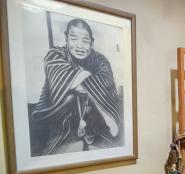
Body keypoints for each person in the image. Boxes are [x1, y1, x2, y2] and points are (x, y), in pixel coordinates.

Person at [29, 18, 123, 156]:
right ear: (66, 38)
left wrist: (72, 81)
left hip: (97, 127)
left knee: (111, 154)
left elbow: (106, 89)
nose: (79, 45)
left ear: (92, 42)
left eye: (85, 40)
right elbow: (97, 86)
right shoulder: (55, 55)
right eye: (74, 39)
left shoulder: (100, 61)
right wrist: (93, 84)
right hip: (63, 127)